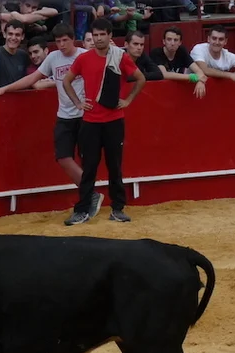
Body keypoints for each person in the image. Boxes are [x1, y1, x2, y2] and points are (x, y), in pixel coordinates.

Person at [0, 24, 102, 214]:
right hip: (65, 115)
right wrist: (6, 88)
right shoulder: (53, 58)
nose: (61, 45)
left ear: (73, 39)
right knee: (63, 157)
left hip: (85, 115)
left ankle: (89, 198)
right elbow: (32, 79)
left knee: (86, 159)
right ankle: (91, 193)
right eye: (58, 41)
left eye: (65, 40)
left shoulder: (85, 55)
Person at [62, 18, 145, 225]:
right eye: (95, 35)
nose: (98, 39)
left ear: (109, 36)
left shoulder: (120, 57)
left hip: (113, 121)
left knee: (114, 166)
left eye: (102, 35)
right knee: (89, 167)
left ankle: (117, 208)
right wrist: (78, 102)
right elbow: (66, 81)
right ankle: (82, 209)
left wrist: (128, 100)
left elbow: (141, 78)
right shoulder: (84, 59)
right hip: (90, 121)